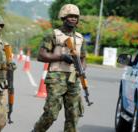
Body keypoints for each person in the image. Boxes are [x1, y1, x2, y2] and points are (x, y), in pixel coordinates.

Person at [32, 4, 86, 132]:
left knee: (74, 116)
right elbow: (41, 55)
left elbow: (83, 58)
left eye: (75, 17)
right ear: (63, 17)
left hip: (73, 79)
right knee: (51, 113)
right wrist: (61, 57)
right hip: (56, 78)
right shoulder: (53, 35)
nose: (73, 19)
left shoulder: (79, 38)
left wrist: (81, 70)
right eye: (70, 16)